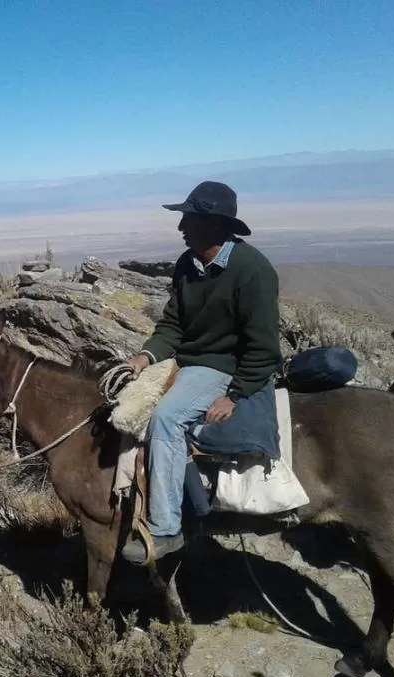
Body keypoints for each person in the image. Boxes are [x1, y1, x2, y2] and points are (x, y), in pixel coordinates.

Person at [120, 181, 282, 565]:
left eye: (188, 219)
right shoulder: (186, 265)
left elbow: (263, 348)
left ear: (213, 224)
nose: (180, 228)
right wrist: (144, 358)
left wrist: (235, 395)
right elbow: (173, 326)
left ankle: (164, 528)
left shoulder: (253, 271)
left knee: (166, 418)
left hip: (220, 368)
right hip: (186, 362)